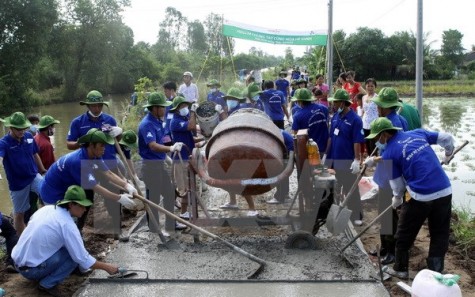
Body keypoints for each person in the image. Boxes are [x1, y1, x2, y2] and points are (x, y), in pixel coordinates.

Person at [364, 117, 455, 278]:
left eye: (378, 138)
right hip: (444, 190)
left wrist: (397, 199)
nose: (377, 142)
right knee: (440, 232)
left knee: (404, 233)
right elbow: (447, 138)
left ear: (385, 135)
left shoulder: (390, 153)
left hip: (420, 196)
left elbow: (398, 187)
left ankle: (400, 269)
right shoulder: (417, 133)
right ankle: (436, 272)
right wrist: (448, 153)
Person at [12, 185, 120, 296]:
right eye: (82, 206)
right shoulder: (67, 225)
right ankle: (47, 284)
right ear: (71, 204)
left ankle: (41, 270)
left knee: (69, 249)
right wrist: (108, 267)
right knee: (74, 258)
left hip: (18, 263)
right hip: (31, 271)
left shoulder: (47, 209)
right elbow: (82, 258)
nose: (85, 209)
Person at [65, 90, 126, 234]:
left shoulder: (109, 120)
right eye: (93, 106)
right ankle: (77, 231)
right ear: (88, 106)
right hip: (88, 165)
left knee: (113, 198)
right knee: (85, 199)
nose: (97, 109)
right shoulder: (78, 122)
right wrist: (84, 142)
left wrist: (119, 133)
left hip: (109, 163)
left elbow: (115, 141)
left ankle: (118, 230)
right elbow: (69, 144)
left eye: (99, 105)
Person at [138, 92, 187, 232]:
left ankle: (171, 224)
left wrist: (166, 156)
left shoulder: (158, 121)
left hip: (158, 163)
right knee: (153, 198)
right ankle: (154, 228)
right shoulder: (147, 124)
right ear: (154, 108)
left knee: (170, 193)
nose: (165, 109)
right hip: (150, 166)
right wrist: (170, 148)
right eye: (162, 107)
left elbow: (159, 141)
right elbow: (152, 145)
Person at [0, 112, 46, 235]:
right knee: (19, 213)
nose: (22, 131)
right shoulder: (4, 143)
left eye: (23, 128)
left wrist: (42, 170)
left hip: (33, 176)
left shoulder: (29, 136)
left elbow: (35, 153)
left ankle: (42, 225)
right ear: (11, 128)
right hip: (18, 184)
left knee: (48, 194)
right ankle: (22, 240)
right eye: (18, 129)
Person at [325, 89, 365, 225]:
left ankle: (357, 216)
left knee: (351, 189)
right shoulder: (335, 116)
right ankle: (336, 214)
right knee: (334, 188)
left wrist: (356, 160)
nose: (333, 105)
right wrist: (326, 155)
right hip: (334, 159)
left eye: (335, 102)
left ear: (343, 103)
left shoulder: (355, 120)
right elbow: (331, 137)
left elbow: (357, 141)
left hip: (347, 160)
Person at [169, 95, 198, 220]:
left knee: (188, 184)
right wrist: (193, 112)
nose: (185, 108)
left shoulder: (184, 117)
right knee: (184, 188)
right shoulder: (175, 121)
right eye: (182, 106)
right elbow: (191, 126)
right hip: (180, 159)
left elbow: (191, 134)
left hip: (188, 155)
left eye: (186, 105)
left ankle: (179, 205)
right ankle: (183, 213)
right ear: (176, 109)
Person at [291, 88, 329, 157]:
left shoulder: (297, 116)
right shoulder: (324, 108)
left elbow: (296, 137)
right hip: (326, 149)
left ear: (299, 101)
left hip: (311, 152)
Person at [361, 78, 379, 156]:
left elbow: (380, 111)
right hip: (365, 123)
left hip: (374, 123)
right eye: (368, 86)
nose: (370, 88)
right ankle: (369, 160)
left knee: (373, 144)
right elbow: (363, 111)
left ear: (375, 87)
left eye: (372, 86)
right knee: (367, 143)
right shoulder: (363, 97)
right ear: (365, 87)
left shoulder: (377, 97)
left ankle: (375, 161)